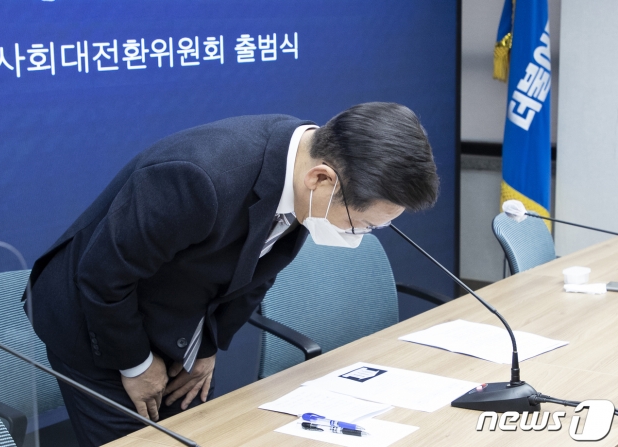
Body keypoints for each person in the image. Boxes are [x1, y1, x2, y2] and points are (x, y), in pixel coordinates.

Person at [26, 102, 439, 446]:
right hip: (94, 320)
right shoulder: (200, 176)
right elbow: (101, 276)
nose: (358, 236)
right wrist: (136, 364)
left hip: (173, 313)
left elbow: (257, 271)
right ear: (321, 178)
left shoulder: (305, 171)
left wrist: (207, 347)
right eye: (361, 225)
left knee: (200, 434)